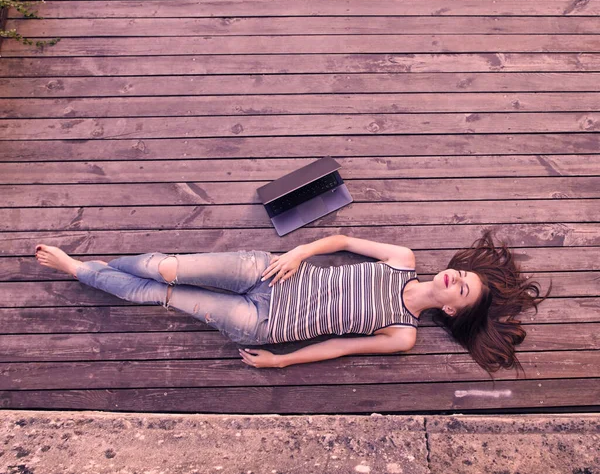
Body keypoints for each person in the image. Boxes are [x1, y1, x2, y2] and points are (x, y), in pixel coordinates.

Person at [34, 231, 548, 375]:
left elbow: (338, 350)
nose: (456, 277)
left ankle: (79, 269)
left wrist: (282, 359)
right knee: (162, 267)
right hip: (269, 271)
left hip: (264, 321)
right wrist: (300, 251)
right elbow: (341, 240)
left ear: (454, 310)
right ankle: (102, 266)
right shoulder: (401, 258)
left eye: (463, 288)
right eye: (464, 274)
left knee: (164, 294)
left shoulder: (404, 334)